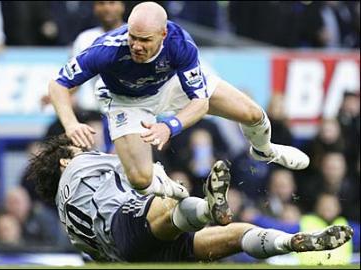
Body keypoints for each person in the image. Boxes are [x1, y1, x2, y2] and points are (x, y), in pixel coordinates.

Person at [48, 2, 310, 198]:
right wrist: (71, 124)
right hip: (128, 100)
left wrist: (169, 126)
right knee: (140, 179)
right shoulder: (105, 48)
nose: (137, 46)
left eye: (145, 40)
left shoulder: (180, 43)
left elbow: (200, 102)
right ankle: (171, 187)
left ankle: (265, 150)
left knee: (253, 114)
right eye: (133, 38)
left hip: (173, 85)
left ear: (162, 35)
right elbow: (58, 84)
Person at [25, 134, 352, 262]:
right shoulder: (79, 165)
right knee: (168, 202)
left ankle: (292, 242)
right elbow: (135, 166)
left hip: (133, 254)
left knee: (236, 235)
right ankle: (211, 208)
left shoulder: (66, 219)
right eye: (77, 149)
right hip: (124, 223)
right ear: (64, 160)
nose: (85, 149)